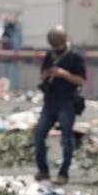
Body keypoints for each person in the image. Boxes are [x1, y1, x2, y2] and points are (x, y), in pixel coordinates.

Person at [34, 26, 86, 184]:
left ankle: (64, 172)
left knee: (67, 138)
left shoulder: (74, 56)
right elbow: (42, 74)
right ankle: (43, 170)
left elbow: (81, 80)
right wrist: (48, 74)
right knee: (38, 136)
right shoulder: (49, 56)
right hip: (50, 101)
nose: (56, 49)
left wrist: (64, 74)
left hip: (67, 101)